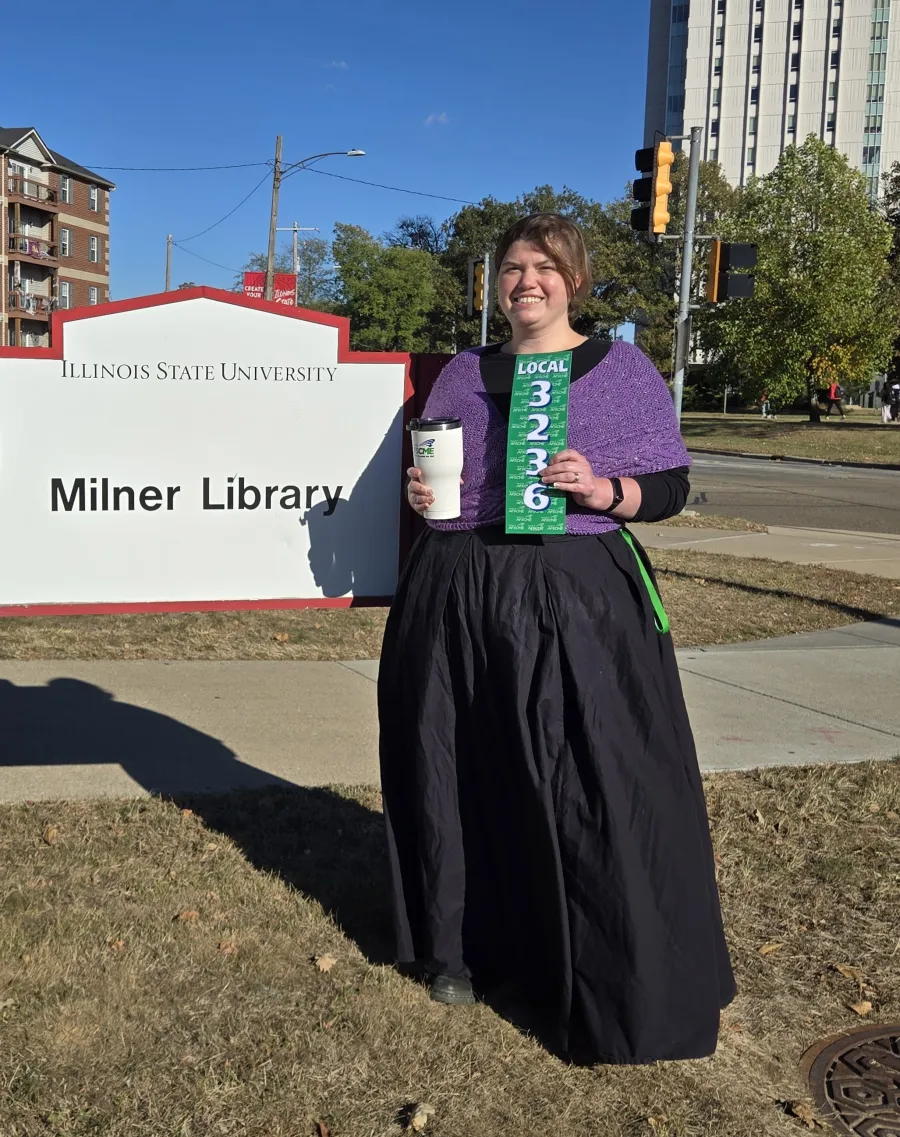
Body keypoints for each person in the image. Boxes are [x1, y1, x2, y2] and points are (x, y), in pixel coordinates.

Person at [378, 214, 735, 1065]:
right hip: (460, 585)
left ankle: (605, 959)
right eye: (512, 267)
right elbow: (439, 479)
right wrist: (422, 496)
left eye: (545, 267)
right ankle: (463, 948)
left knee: (593, 774)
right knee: (460, 765)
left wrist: (605, 487)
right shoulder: (463, 374)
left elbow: (672, 484)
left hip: (576, 590)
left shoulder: (620, 369)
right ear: (493, 283)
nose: (527, 281)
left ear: (575, 280)